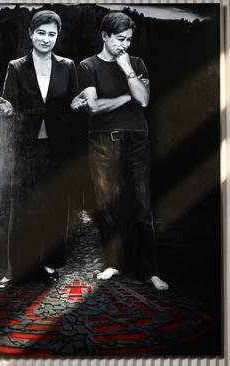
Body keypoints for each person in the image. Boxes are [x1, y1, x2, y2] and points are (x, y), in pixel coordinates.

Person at [73, 12, 169, 290]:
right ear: (105, 36)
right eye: (119, 39)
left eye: (128, 40)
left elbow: (144, 99)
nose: (124, 45)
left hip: (137, 139)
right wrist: (128, 96)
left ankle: (150, 270)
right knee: (108, 204)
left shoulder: (136, 63)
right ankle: (114, 263)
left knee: (141, 205)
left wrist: (127, 69)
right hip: (103, 140)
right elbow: (93, 107)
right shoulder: (88, 65)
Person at [0, 9, 79, 290]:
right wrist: (8, 110)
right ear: (31, 34)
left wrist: (77, 106)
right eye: (41, 33)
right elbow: (8, 104)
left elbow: (72, 105)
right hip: (26, 147)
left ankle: (51, 265)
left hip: (58, 146)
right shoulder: (15, 66)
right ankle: (16, 270)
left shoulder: (68, 66)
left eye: (51, 34)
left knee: (55, 205)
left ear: (57, 37)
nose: (46, 38)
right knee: (24, 207)